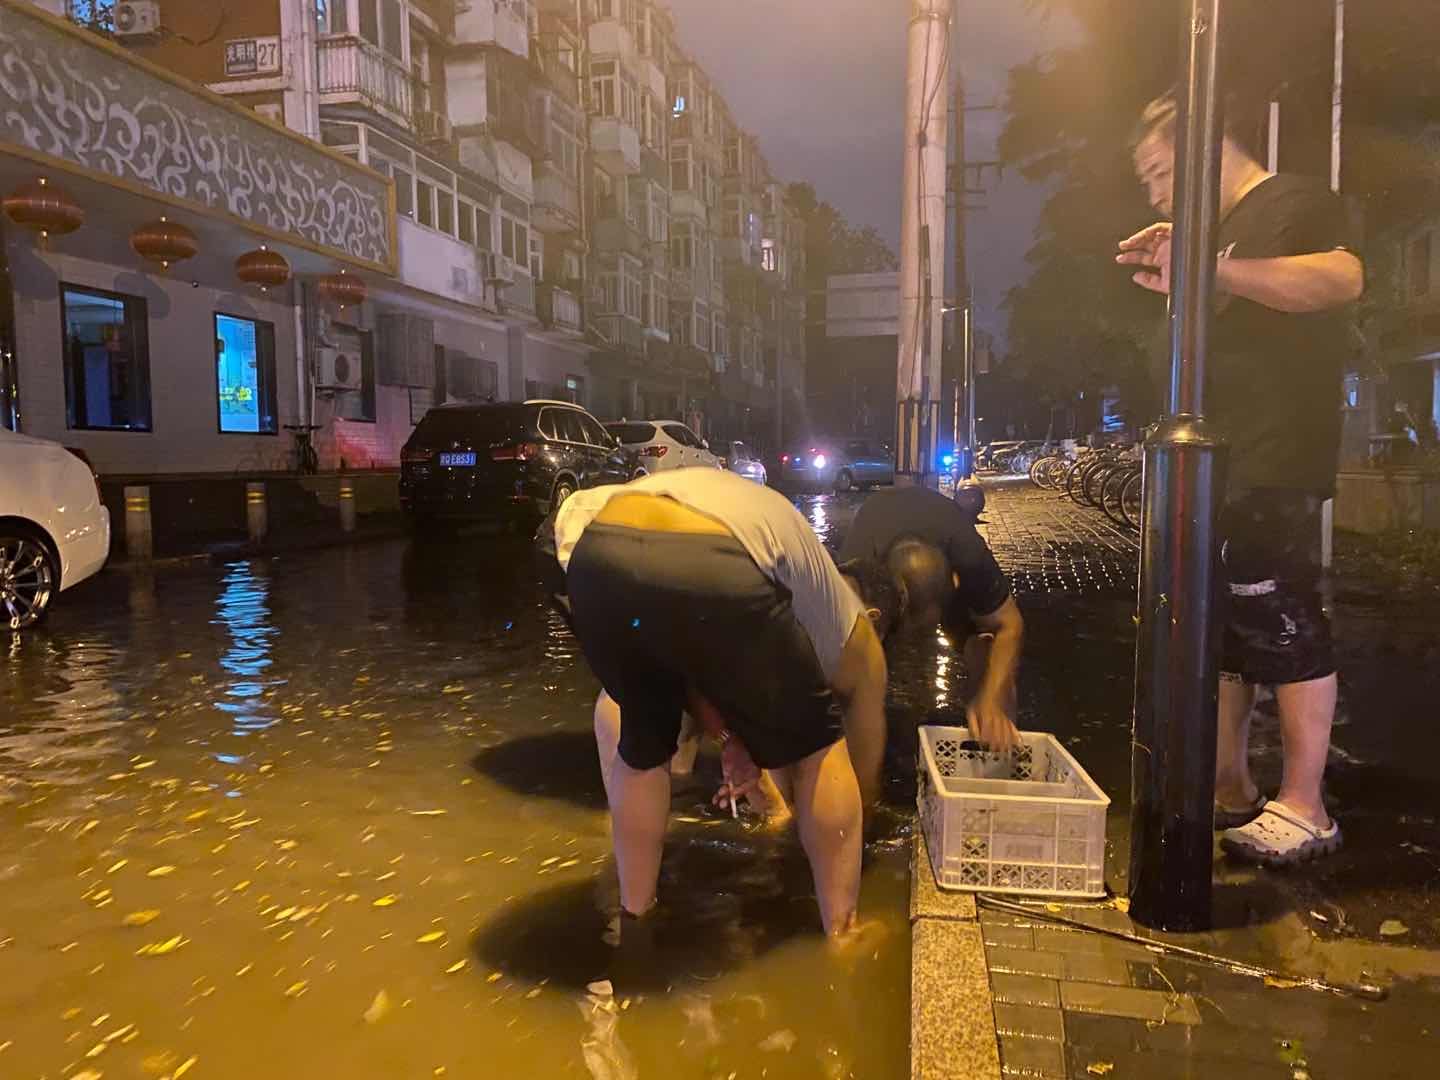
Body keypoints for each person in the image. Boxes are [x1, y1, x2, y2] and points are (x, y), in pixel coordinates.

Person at [1119, 91, 1364, 866]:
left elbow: (1339, 279)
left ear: (1202, 144)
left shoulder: (1291, 200)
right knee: (1220, 618)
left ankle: (1306, 804)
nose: (1156, 194)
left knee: (1277, 607)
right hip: (1222, 455)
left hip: (1273, 451)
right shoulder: (1220, 234)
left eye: (1161, 173)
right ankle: (1227, 783)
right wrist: (1188, 268)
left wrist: (1214, 267)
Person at [541, 468, 892, 938]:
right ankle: (844, 932)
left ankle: (634, 917)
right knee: (820, 752)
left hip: (599, 556)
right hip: (712, 558)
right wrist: (861, 827)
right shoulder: (854, 633)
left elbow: (691, 663)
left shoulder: (689, 493)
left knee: (643, 747)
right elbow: (850, 747)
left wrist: (729, 739)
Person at [837, 485, 1024, 752]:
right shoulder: (858, 572)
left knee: (988, 650)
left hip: (945, 552)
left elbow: (1011, 624)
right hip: (881, 570)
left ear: (955, 583)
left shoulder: (969, 558)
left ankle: (996, 744)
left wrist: (992, 698)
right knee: (858, 662)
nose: (916, 641)